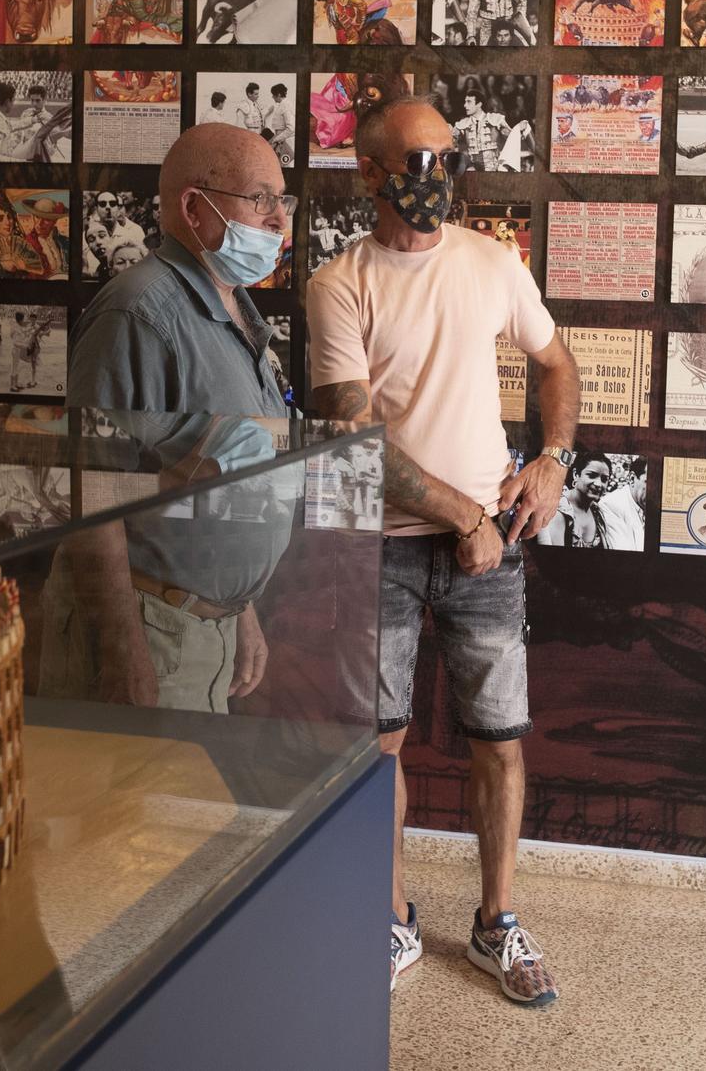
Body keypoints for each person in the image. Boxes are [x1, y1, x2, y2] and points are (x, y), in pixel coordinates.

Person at [306, 95, 580, 1005]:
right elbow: (355, 434)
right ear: (369, 173)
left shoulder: (492, 263)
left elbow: (557, 364)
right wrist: (466, 517)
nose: (435, 180)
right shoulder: (338, 283)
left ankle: (497, 921)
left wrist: (550, 461)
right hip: (381, 545)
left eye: (447, 159)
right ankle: (391, 921)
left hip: (490, 549)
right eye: (415, 163)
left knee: (499, 741)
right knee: (377, 746)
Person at [46, 123, 295, 713]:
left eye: (282, 202)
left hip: (200, 628)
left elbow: (203, 473)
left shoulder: (232, 304)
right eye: (259, 200)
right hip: (149, 633)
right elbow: (93, 490)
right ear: (194, 206)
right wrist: (122, 651)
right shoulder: (139, 314)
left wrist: (239, 607)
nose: (279, 221)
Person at [536, 452, 637, 549]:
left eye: (604, 479)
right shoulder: (558, 510)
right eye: (592, 475)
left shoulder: (598, 512)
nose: (598, 484)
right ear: (576, 475)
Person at [452, 90, 511, 173]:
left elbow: (511, 138)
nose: (465, 105)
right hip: (473, 169)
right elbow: (450, 141)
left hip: (495, 168)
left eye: (469, 102)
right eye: (465, 102)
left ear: (479, 104)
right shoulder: (463, 123)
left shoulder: (494, 119)